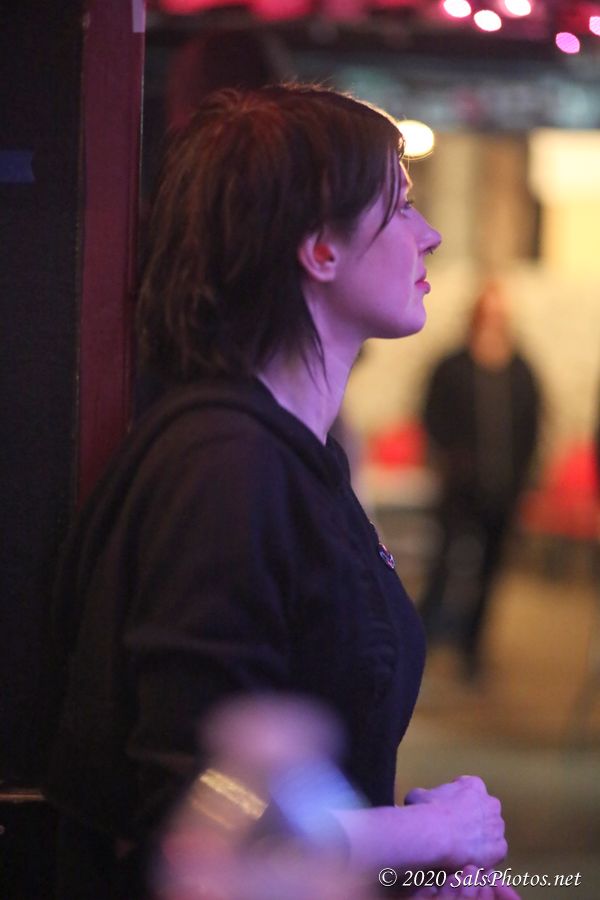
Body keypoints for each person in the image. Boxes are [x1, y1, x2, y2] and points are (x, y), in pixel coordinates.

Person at [45, 85, 517, 899]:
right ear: (320, 250)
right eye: (400, 207)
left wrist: (412, 873)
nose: (429, 234)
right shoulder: (225, 465)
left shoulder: (293, 455)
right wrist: (435, 831)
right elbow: (196, 819)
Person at [419, 282, 540, 681]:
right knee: (444, 566)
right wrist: (453, 461)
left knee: (490, 573)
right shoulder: (452, 366)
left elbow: (532, 424)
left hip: (504, 491)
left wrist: (525, 477)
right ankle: (422, 641)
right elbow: (432, 417)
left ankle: (472, 651)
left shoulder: (521, 369)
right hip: (459, 492)